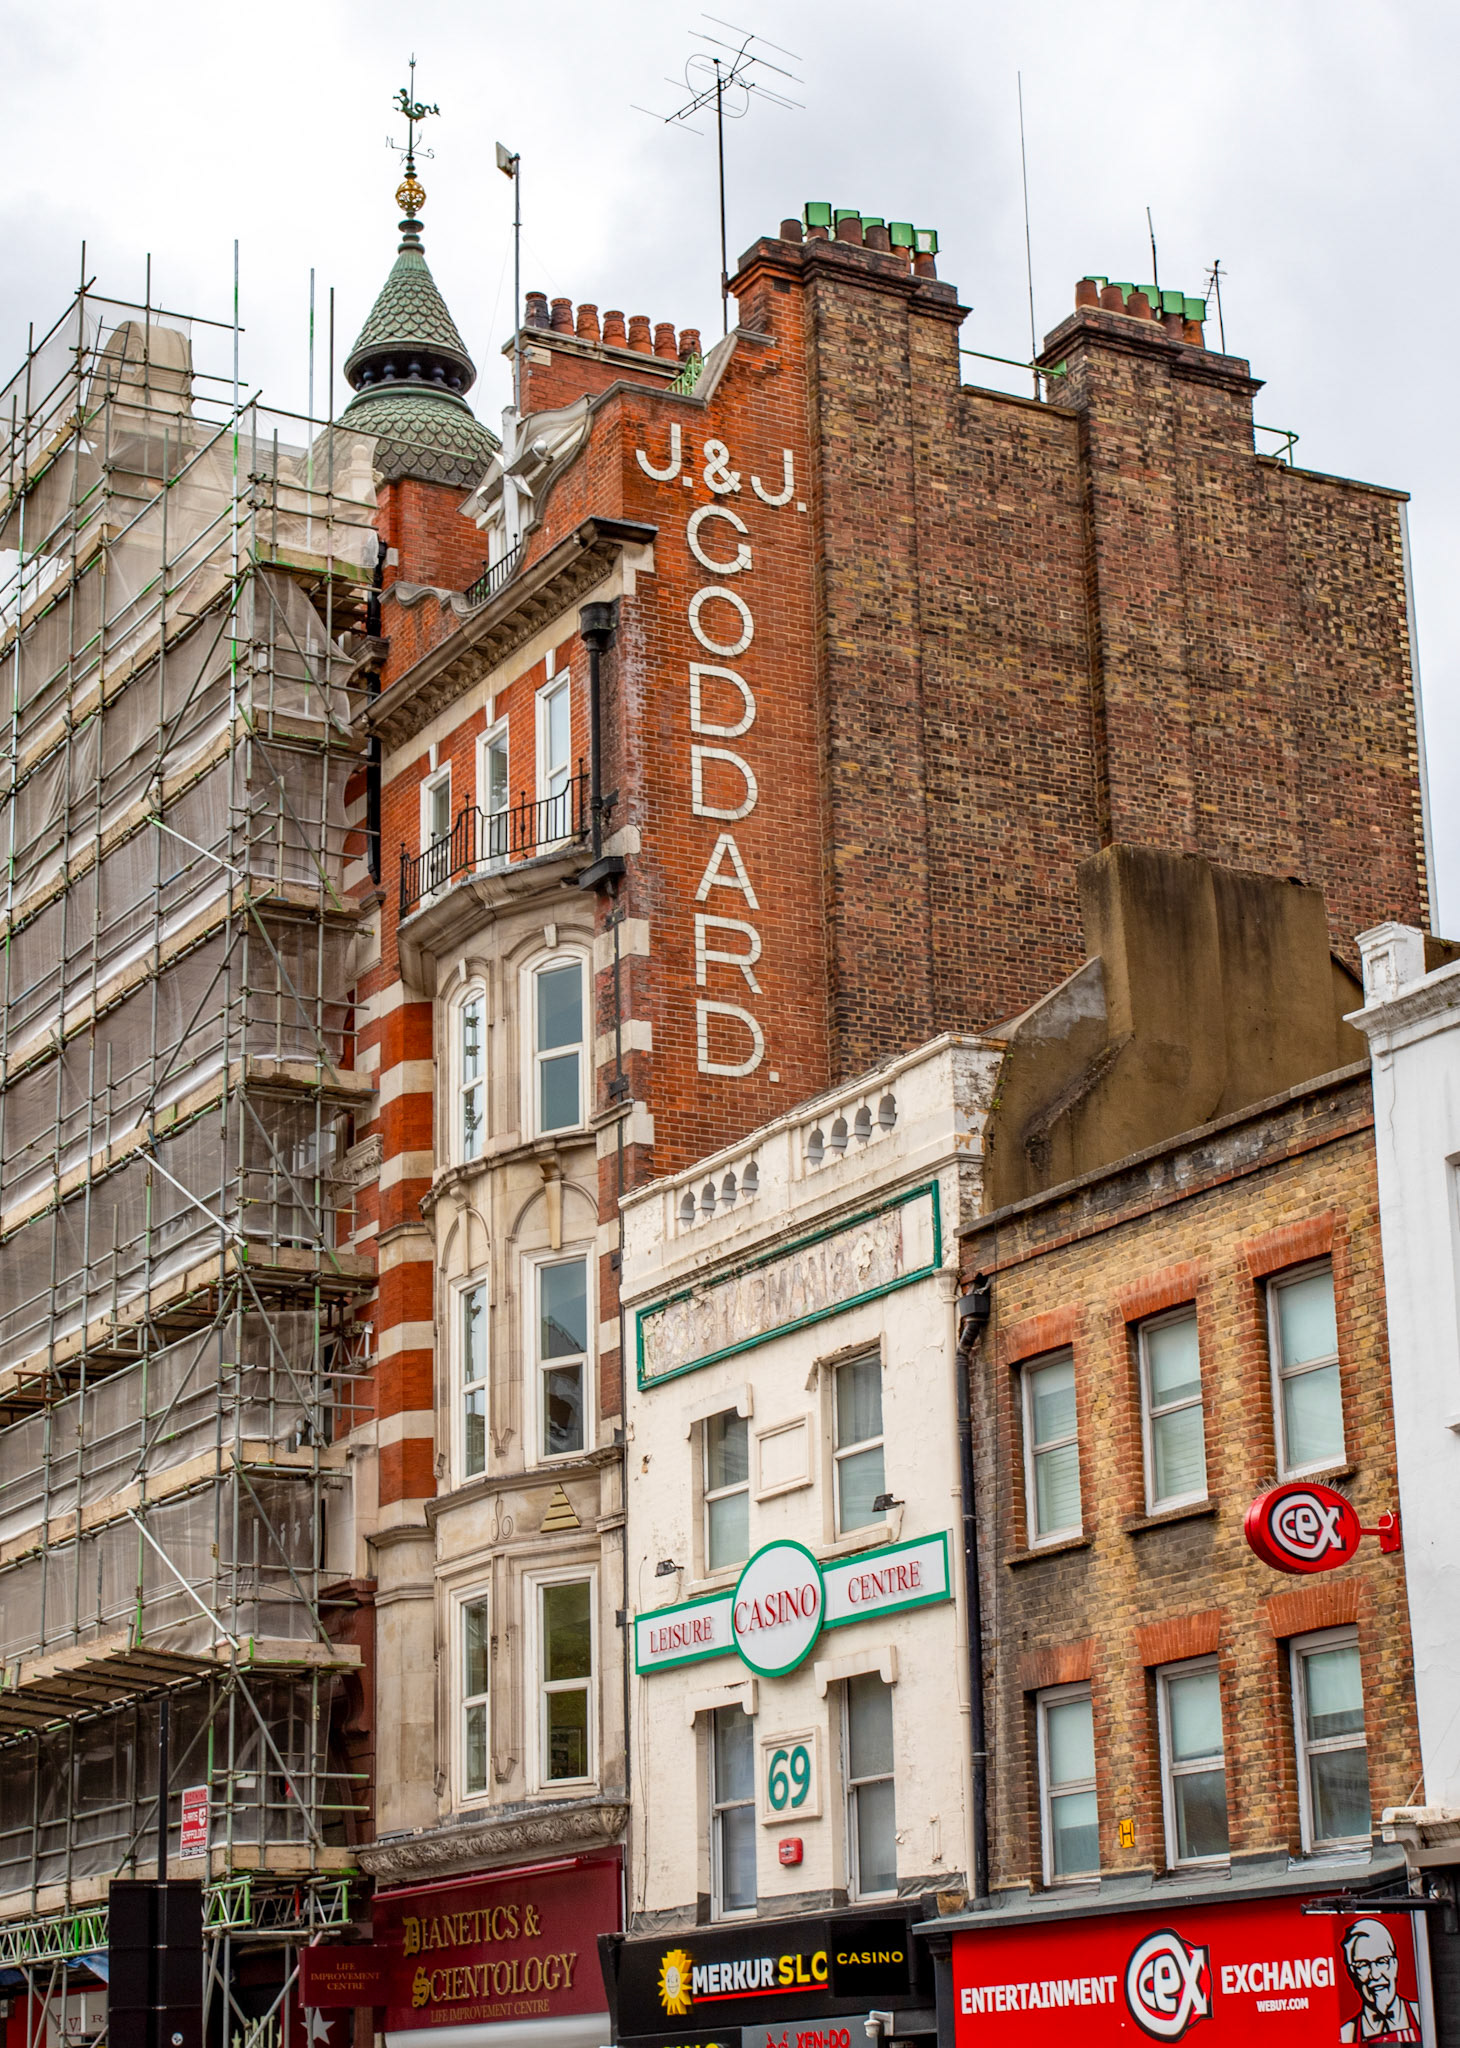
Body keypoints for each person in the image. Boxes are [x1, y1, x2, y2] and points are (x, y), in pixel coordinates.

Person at [1339, 1919, 1422, 2043]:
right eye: (1363, 1965)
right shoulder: (1346, 2034)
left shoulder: (1422, 2015)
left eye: (1382, 1962)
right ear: (1352, 1972)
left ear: (1395, 1964)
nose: (1375, 1975)